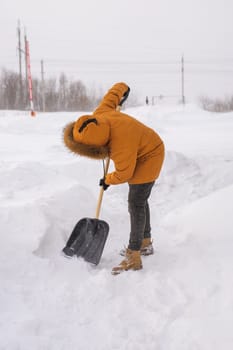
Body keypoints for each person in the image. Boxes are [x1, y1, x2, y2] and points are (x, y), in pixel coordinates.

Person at [63, 82, 165, 274]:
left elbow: (124, 173)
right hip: (140, 147)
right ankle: (145, 242)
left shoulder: (121, 145)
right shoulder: (99, 114)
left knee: (135, 202)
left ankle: (134, 254)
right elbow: (111, 98)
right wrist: (121, 88)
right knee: (140, 199)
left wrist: (108, 179)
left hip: (150, 154)